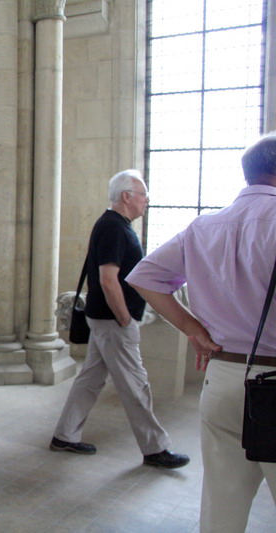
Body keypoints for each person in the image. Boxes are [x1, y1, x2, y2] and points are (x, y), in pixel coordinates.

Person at [127, 133, 276, 532]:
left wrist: (194, 329)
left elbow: (146, 277)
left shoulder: (204, 226)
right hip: (274, 377)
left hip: (224, 376)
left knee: (221, 505)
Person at [49, 170, 189, 469]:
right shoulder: (114, 227)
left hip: (105, 320)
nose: (146, 202)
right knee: (135, 384)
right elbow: (108, 280)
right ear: (127, 196)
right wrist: (125, 318)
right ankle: (156, 449)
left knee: (90, 379)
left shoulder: (114, 224)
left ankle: (65, 435)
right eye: (143, 195)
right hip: (113, 322)